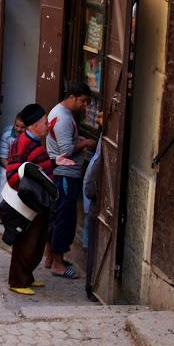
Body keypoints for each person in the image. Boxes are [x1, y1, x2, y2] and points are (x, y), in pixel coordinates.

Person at [2, 104, 55, 295]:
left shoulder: (33, 142)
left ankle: (27, 276)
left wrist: (55, 163)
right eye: (45, 122)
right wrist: (28, 194)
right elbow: (13, 174)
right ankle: (17, 280)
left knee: (37, 242)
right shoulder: (23, 143)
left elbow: (38, 168)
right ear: (34, 125)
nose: (48, 126)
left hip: (39, 202)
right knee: (26, 243)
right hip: (29, 204)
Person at [45, 82, 97, 278]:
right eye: (83, 101)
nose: (85, 106)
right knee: (64, 218)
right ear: (73, 97)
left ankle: (50, 257)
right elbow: (65, 150)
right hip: (65, 174)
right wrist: (85, 143)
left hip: (61, 173)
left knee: (56, 216)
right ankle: (57, 263)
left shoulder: (61, 114)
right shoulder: (63, 118)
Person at [83, 111, 103, 301]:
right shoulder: (103, 144)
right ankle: (92, 286)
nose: (97, 117)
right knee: (93, 246)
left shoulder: (104, 143)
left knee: (94, 246)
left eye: (101, 116)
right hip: (95, 202)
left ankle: (93, 285)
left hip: (96, 202)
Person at [0, 115, 26, 211]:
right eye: (17, 126)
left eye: (22, 127)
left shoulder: (30, 136)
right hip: (7, 164)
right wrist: (13, 172)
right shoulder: (7, 135)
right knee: (4, 176)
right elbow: (2, 158)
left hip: (21, 166)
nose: (19, 129)